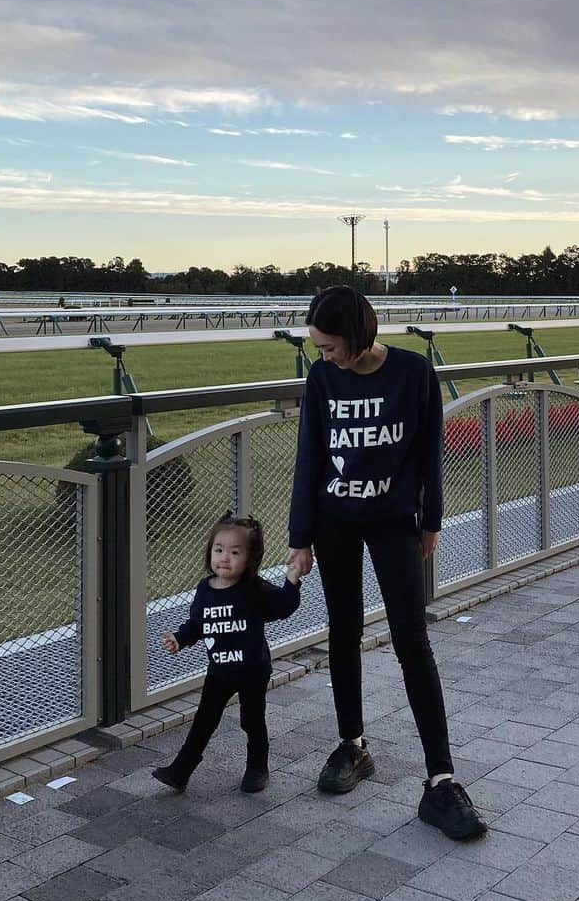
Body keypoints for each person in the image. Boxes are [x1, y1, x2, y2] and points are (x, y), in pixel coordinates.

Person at [287, 285, 486, 841]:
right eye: (317, 347)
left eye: (329, 346)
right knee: (342, 632)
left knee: (411, 641)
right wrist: (300, 537)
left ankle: (440, 780)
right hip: (334, 525)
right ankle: (353, 745)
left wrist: (431, 520)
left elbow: (429, 451)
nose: (321, 356)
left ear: (357, 336)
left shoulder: (412, 372)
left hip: (395, 522)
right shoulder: (323, 379)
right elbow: (311, 455)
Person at [153, 512, 301, 793]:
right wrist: (179, 639)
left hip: (252, 673)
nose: (225, 557)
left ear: (250, 559)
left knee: (252, 720)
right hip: (218, 673)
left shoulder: (253, 590)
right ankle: (180, 771)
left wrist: (292, 581)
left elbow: (283, 607)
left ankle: (258, 768)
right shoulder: (205, 589)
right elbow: (197, 624)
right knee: (203, 722)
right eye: (218, 550)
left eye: (235, 552)